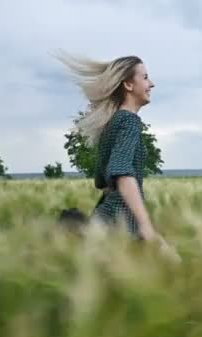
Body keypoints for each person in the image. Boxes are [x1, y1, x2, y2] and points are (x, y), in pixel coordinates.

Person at [56, 52, 176, 256]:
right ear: (128, 85)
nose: (152, 84)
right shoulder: (128, 122)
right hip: (122, 223)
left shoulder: (111, 124)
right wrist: (146, 226)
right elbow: (121, 173)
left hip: (109, 218)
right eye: (145, 77)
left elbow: (101, 181)